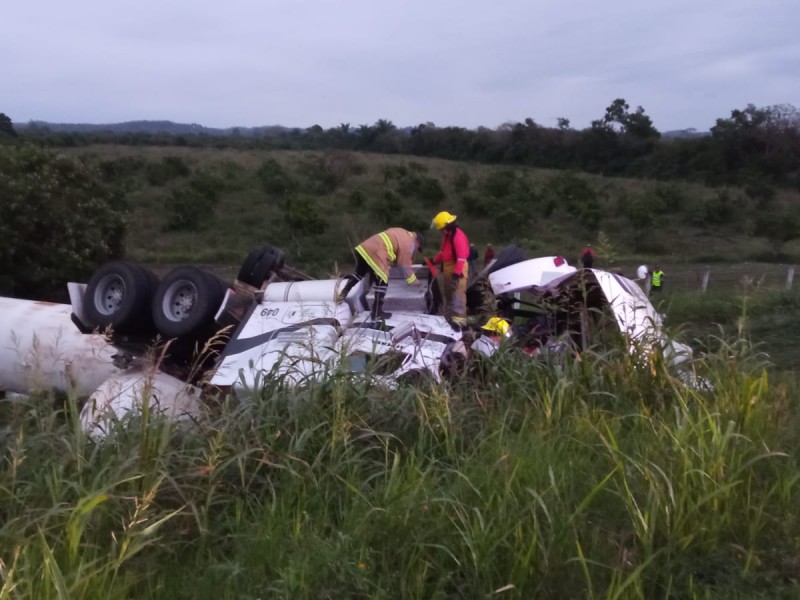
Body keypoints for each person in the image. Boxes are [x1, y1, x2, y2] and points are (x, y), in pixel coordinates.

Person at [337, 228, 424, 319]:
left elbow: (394, 249)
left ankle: (342, 295)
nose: (415, 250)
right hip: (376, 252)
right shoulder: (409, 242)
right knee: (382, 281)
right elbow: (403, 264)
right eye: (418, 248)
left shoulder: (402, 232)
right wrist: (413, 280)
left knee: (359, 274)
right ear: (417, 242)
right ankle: (377, 313)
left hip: (364, 248)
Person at [431, 211, 470, 327]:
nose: (440, 231)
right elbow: (444, 253)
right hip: (448, 267)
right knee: (449, 295)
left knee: (458, 294)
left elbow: (461, 257)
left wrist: (457, 274)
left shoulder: (458, 236)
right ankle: (449, 318)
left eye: (441, 228)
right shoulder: (447, 236)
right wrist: (434, 260)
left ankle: (459, 322)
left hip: (458, 267)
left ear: (447, 226)